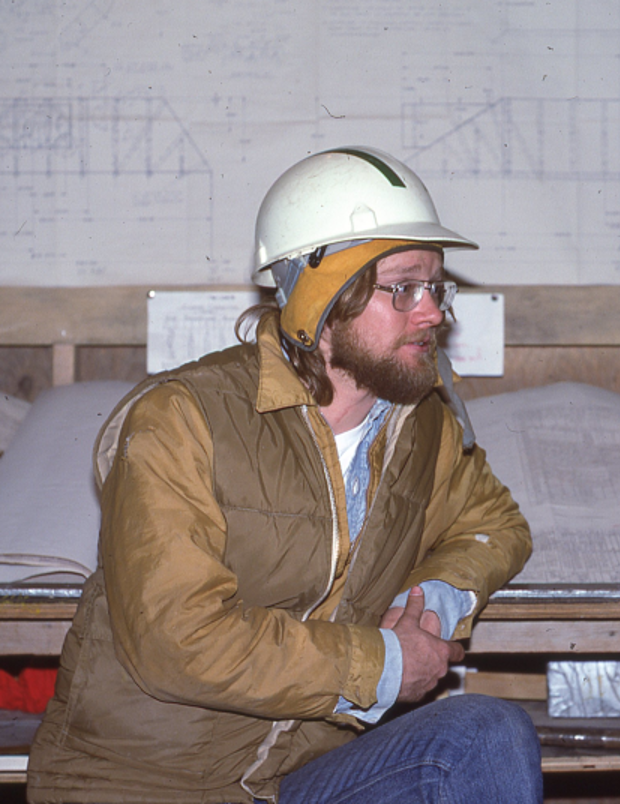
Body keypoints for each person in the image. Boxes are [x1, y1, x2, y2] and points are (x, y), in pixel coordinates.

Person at [27, 146, 543, 803]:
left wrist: (432, 605)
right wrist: (381, 665)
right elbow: (178, 641)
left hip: (291, 782)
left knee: (484, 735)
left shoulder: (421, 425)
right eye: (405, 288)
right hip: (139, 785)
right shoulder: (183, 419)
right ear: (320, 300)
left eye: (435, 287)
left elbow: (492, 524)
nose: (434, 312)